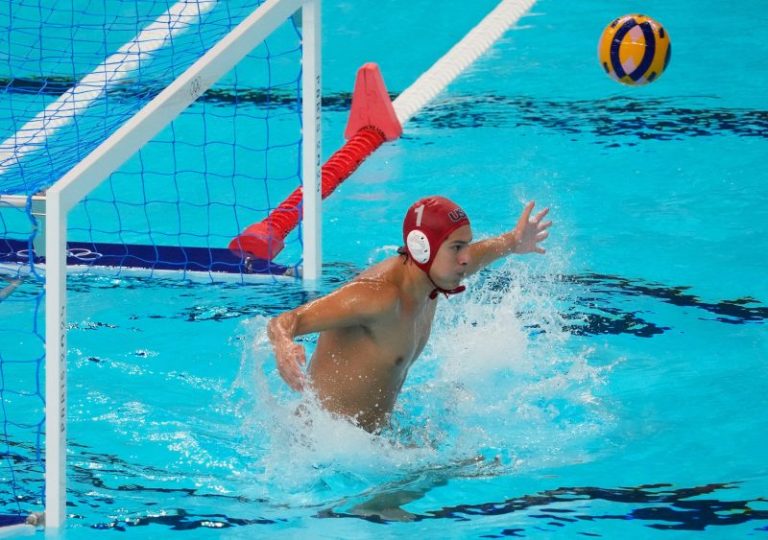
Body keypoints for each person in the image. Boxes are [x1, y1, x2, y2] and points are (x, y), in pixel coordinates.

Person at [267, 196, 552, 433]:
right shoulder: (377, 296)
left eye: (466, 245)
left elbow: (477, 255)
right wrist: (283, 344)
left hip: (371, 442)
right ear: (422, 249)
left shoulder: (434, 276)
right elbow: (285, 321)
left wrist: (513, 241)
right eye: (456, 248)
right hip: (319, 448)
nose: (465, 257)